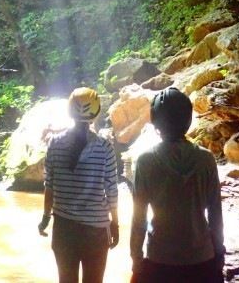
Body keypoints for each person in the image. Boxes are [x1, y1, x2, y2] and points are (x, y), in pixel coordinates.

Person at [130, 87, 225, 283]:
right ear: (187, 120)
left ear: (156, 120)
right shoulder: (205, 159)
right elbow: (215, 213)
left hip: (160, 259)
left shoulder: (146, 161)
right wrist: (219, 252)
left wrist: (136, 258)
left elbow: (139, 217)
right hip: (201, 258)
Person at [38, 87, 119, 283]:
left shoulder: (54, 144)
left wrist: (45, 218)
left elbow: (49, 186)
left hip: (64, 230)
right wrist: (115, 224)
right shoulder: (105, 147)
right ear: (96, 112)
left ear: (69, 112)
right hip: (96, 231)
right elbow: (112, 192)